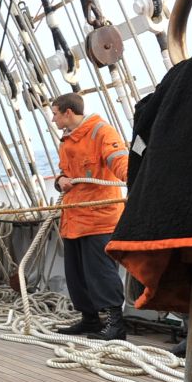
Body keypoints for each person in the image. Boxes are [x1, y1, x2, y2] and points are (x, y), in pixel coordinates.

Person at [49, 92, 130, 341]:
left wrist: (138, 181)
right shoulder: (67, 140)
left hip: (99, 218)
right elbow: (64, 172)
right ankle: (90, 320)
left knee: (102, 272)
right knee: (76, 274)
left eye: (55, 114)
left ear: (68, 113)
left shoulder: (101, 132)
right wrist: (60, 180)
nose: (53, 120)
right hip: (73, 218)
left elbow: (121, 163)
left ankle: (116, 324)